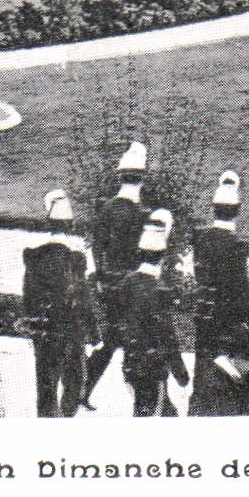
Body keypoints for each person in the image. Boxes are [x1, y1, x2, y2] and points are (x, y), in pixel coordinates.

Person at [187, 172, 249, 415]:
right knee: (229, 384)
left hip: (205, 317)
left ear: (214, 209)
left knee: (202, 375)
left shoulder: (202, 240)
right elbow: (240, 291)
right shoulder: (233, 247)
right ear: (238, 209)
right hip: (227, 321)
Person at [19, 190, 99, 417]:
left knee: (46, 383)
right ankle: (65, 418)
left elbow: (28, 294)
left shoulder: (34, 256)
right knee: (74, 380)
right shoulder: (75, 259)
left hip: (44, 329)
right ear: (71, 225)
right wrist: (93, 331)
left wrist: (30, 321)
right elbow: (82, 298)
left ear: (48, 224)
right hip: (69, 329)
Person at [82, 142, 149, 405]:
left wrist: (99, 277)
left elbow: (97, 246)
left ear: (120, 177)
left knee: (110, 340)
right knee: (135, 340)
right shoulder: (140, 213)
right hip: (131, 285)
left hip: (109, 282)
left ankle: (82, 388)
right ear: (141, 179)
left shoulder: (107, 208)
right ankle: (144, 400)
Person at [111, 209, 189, 416]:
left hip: (131, 363)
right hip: (153, 369)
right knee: (152, 415)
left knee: (158, 411)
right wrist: (180, 372)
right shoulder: (160, 289)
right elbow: (167, 334)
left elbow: (116, 319)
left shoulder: (127, 282)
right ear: (162, 257)